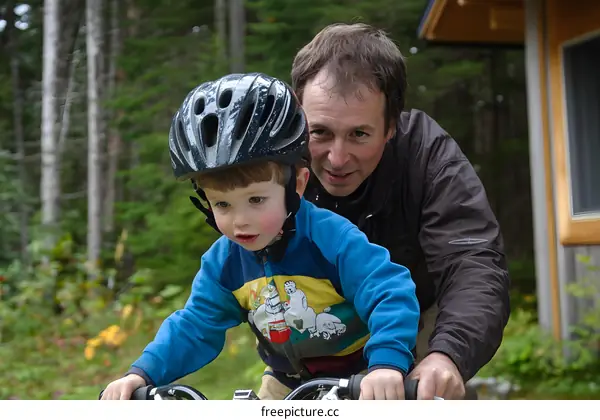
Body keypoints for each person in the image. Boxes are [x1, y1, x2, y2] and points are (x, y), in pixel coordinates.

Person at [100, 72, 421, 400]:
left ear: (296, 185)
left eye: (256, 200)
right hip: (286, 380)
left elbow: (388, 293)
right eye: (222, 204)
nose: (241, 222)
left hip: (361, 379)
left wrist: (386, 365)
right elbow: (195, 326)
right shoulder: (224, 262)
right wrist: (141, 374)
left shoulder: (331, 240)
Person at [280, 23, 511, 400]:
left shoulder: (427, 155)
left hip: (417, 317)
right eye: (319, 132)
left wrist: (447, 355)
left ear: (391, 126)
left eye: (359, 134)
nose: (337, 159)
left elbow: (473, 263)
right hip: (314, 320)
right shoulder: (276, 155)